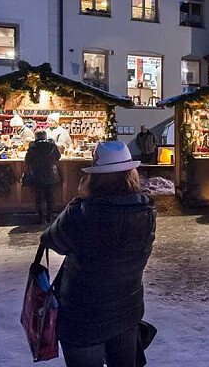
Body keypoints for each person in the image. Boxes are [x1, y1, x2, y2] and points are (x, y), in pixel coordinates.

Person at [41, 141, 156, 367]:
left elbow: (51, 240)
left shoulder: (81, 213)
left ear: (96, 176)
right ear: (131, 173)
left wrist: (78, 200)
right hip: (127, 310)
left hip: (83, 315)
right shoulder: (146, 211)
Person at [24, 129, 62, 223]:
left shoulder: (32, 147)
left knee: (39, 197)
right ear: (45, 136)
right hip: (51, 174)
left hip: (37, 174)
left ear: (36, 137)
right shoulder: (52, 146)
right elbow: (58, 157)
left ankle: (41, 217)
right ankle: (50, 216)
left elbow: (27, 160)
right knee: (50, 197)